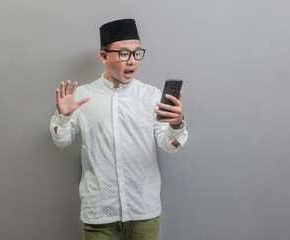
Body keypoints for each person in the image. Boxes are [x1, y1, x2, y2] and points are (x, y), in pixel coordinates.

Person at [50, 18, 188, 240]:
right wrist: (63, 117)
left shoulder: (151, 96)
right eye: (124, 54)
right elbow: (61, 140)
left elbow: (169, 145)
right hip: (99, 209)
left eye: (137, 53)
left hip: (143, 206)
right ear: (104, 56)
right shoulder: (82, 96)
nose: (132, 61)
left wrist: (176, 125)